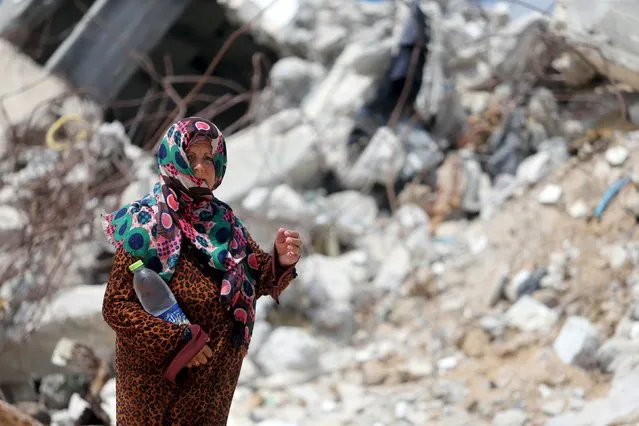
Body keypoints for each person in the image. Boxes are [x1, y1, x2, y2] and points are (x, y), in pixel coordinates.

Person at [101, 117, 301, 426]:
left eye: (208, 158)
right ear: (172, 159)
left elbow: (254, 279)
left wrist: (280, 260)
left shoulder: (223, 221)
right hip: (158, 392)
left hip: (211, 390)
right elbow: (116, 307)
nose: (199, 167)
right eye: (190, 157)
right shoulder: (144, 224)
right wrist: (179, 342)